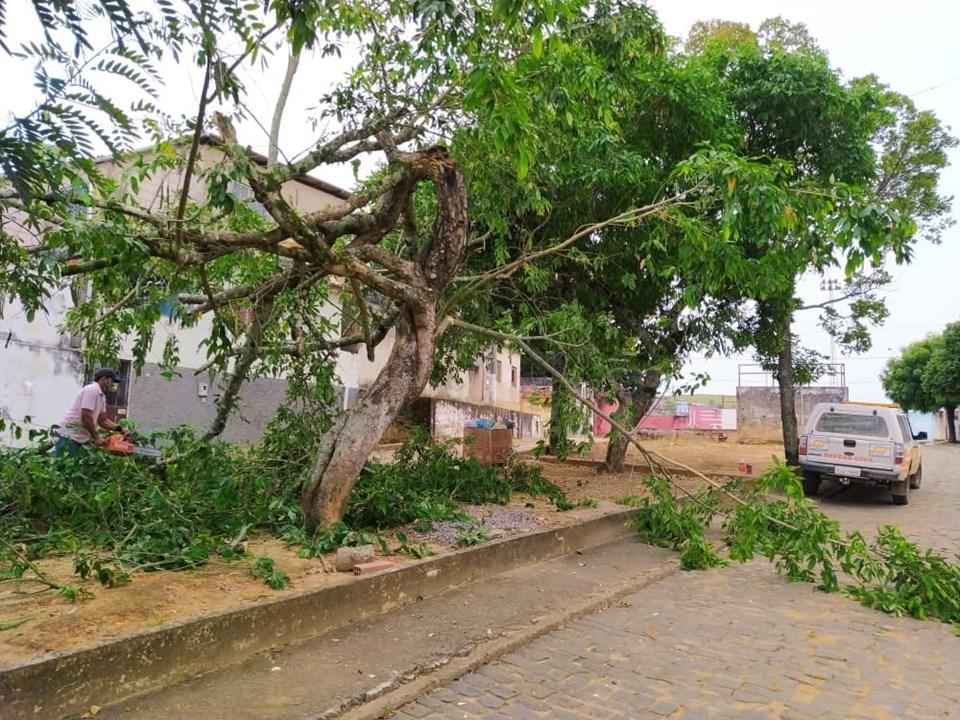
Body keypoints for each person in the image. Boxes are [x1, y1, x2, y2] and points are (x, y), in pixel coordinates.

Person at [54, 368, 124, 457]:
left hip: (81, 438)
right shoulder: (92, 390)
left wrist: (120, 429)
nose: (113, 384)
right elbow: (86, 416)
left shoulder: (102, 396)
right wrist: (97, 437)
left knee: (76, 468)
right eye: (112, 380)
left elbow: (102, 420)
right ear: (104, 379)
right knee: (63, 467)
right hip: (69, 436)